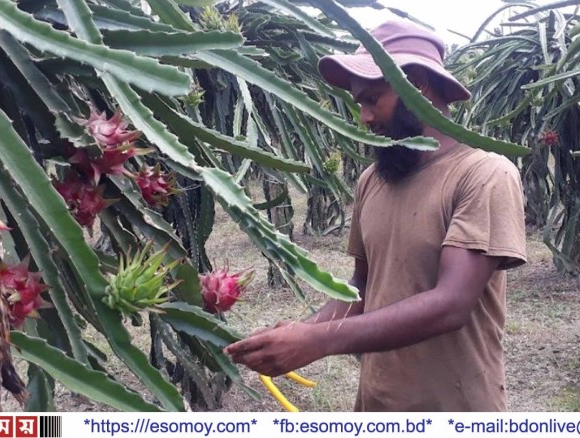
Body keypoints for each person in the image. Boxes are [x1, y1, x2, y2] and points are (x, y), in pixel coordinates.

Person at [224, 19, 527, 412]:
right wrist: (304, 330)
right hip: (376, 405)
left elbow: (452, 303)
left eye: (372, 99)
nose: (365, 117)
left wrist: (319, 341)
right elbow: (363, 287)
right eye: (359, 104)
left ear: (417, 84)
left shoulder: (484, 175)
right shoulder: (373, 180)